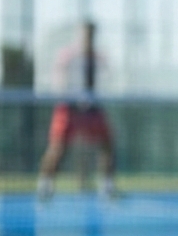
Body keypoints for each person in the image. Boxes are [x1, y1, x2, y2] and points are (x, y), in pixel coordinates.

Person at [37, 21, 119, 201]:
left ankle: (107, 186)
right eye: (85, 33)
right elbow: (59, 80)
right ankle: (45, 185)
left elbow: (107, 78)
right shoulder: (68, 56)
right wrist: (71, 96)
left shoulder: (98, 57)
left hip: (92, 108)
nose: (88, 37)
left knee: (107, 144)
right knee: (58, 147)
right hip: (69, 107)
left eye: (91, 34)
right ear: (79, 34)